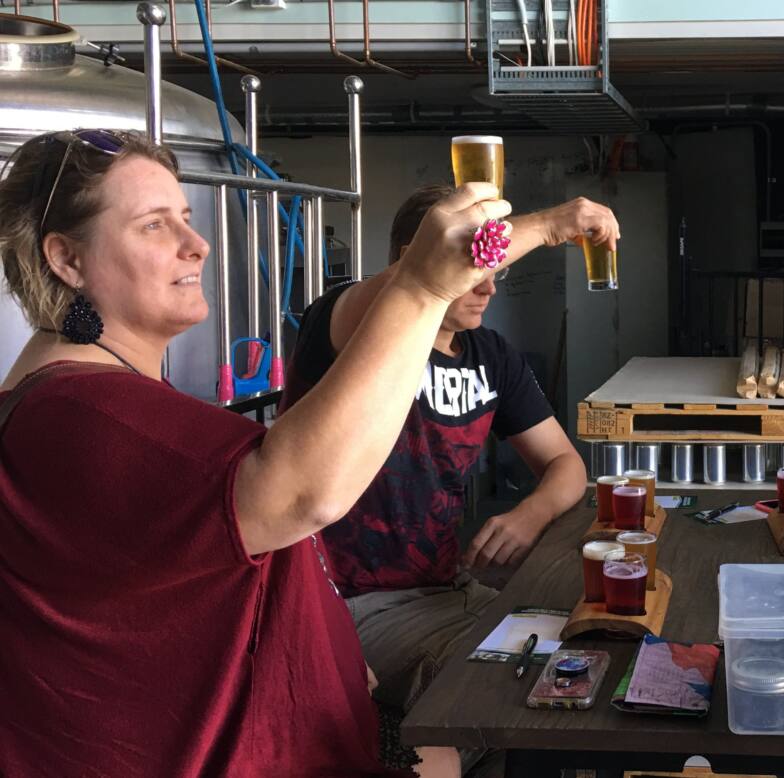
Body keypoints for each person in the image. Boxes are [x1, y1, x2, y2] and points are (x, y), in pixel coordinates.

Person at [0, 129, 523, 775]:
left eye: (188, 219)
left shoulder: (94, 401)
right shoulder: (81, 414)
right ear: (67, 259)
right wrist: (421, 290)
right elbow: (306, 493)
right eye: (154, 225)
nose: (198, 245)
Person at [280, 183, 618, 777]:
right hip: (350, 604)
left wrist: (529, 513)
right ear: (417, 260)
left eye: (494, 271)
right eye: (478, 268)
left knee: (581, 653)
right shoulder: (349, 330)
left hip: (448, 587)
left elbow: (567, 466)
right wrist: (556, 222)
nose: (489, 286)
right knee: (493, 682)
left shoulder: (489, 355)